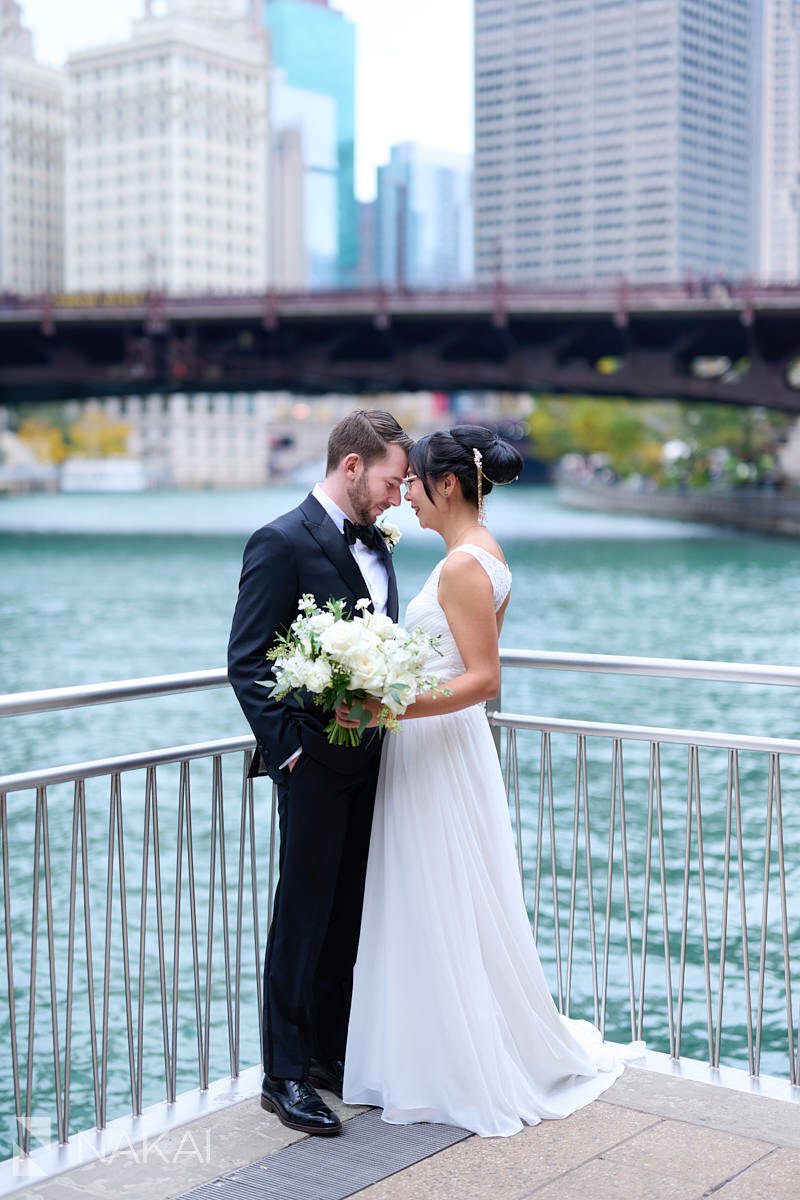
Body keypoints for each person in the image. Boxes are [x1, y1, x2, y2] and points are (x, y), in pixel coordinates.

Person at [338, 425, 645, 1138]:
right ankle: (431, 1046)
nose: (405, 494)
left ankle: (448, 1060)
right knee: (446, 893)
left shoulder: (462, 567)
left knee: (437, 890)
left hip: (437, 739)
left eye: (413, 482)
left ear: (447, 485)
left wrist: (390, 703)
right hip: (443, 744)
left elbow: (482, 678)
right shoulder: (483, 555)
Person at [227, 408, 412, 1137]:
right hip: (310, 764)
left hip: (370, 761)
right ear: (352, 466)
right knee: (301, 917)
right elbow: (246, 662)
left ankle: (330, 1056)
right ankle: (283, 1076)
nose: (399, 497)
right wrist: (293, 754)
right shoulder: (278, 541)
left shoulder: (379, 542)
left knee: (347, 915)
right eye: (394, 483)